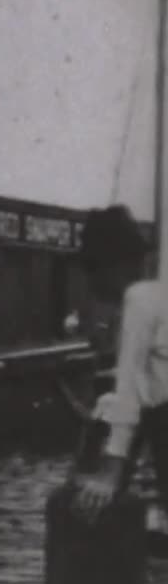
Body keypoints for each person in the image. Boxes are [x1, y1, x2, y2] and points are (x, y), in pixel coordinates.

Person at [71, 205, 166, 525]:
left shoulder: (140, 298)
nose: (90, 281)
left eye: (92, 269)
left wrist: (111, 471)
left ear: (112, 265)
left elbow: (129, 388)